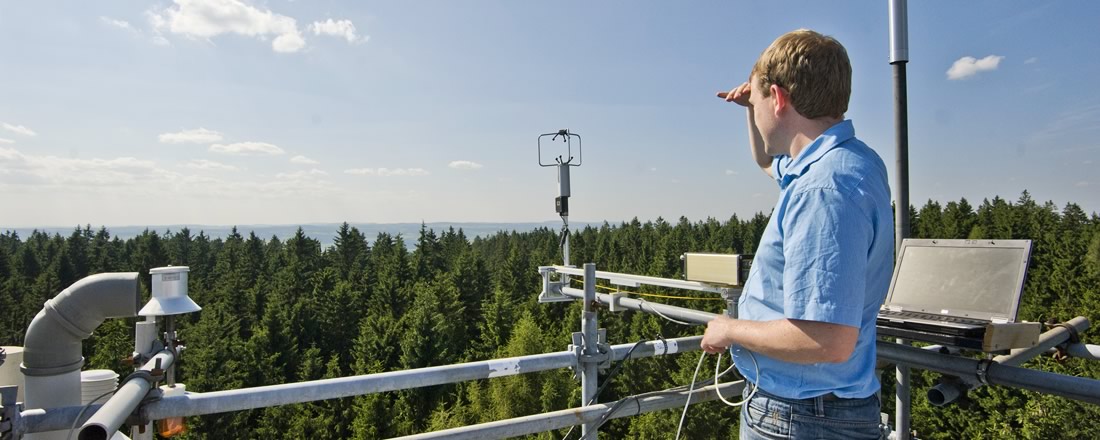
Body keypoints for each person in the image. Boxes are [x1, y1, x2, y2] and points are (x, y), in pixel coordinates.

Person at [700, 29, 894, 439]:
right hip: (817, 411)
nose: (755, 110)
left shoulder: (824, 188)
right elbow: (766, 162)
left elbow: (828, 339)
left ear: (780, 97)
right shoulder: (848, 162)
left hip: (801, 417)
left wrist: (729, 328)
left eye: (759, 102)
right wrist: (749, 111)